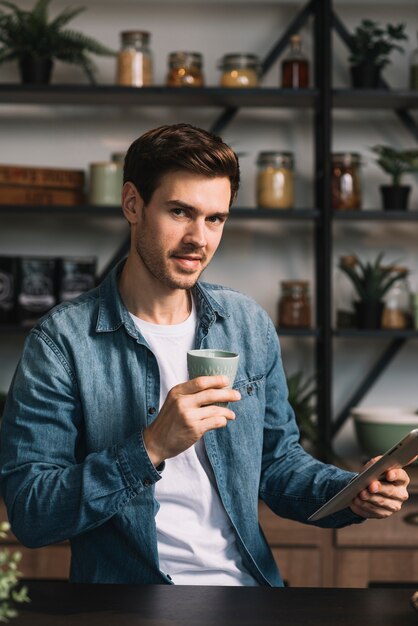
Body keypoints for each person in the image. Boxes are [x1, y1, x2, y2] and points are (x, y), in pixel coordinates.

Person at [0, 123, 410, 586]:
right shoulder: (62, 342)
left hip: (249, 593)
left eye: (215, 218)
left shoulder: (247, 324)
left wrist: (353, 492)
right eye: (180, 212)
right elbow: (32, 513)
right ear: (133, 204)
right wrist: (150, 447)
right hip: (131, 604)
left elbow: (278, 468)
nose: (200, 238)